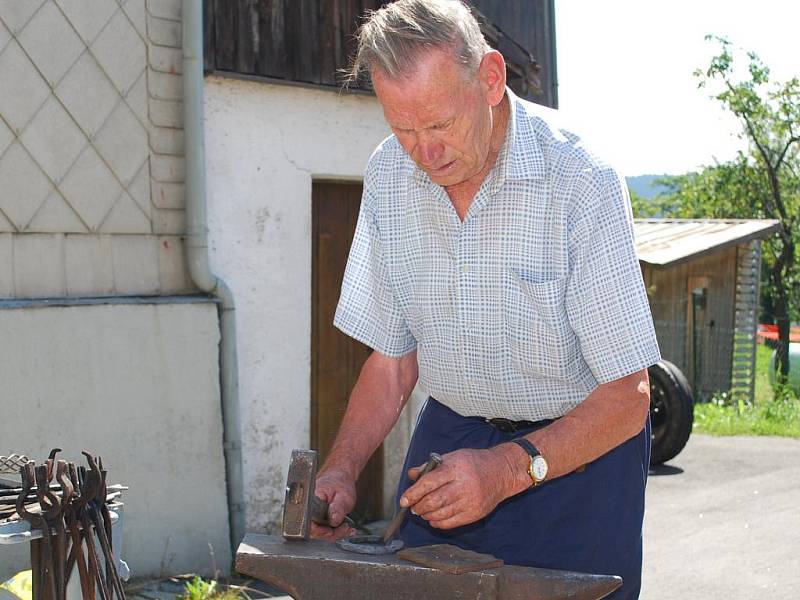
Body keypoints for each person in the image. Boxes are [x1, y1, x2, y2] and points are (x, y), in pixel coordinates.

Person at [311, 1, 660, 598]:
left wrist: (505, 470)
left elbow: (630, 397)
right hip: (450, 452)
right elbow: (393, 363)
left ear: (491, 79)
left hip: (578, 461)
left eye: (440, 124)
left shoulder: (579, 181)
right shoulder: (390, 176)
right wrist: (341, 470)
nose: (424, 152)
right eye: (403, 128)